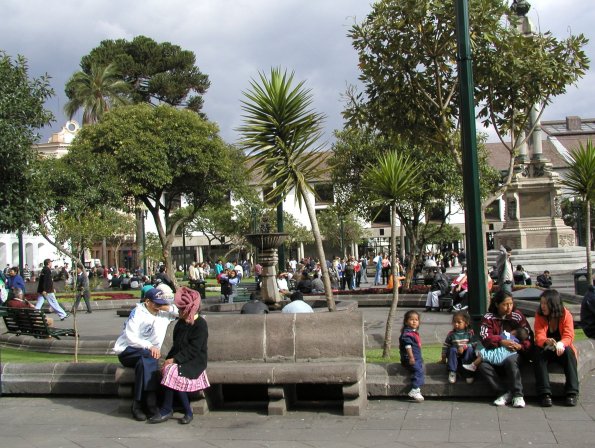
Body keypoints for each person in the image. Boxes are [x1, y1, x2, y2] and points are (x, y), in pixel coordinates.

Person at [113, 288, 178, 421]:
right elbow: (131, 337)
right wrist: (149, 346)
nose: (159, 306)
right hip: (129, 351)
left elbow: (182, 312)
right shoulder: (137, 313)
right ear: (147, 301)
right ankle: (151, 402)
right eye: (156, 303)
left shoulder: (162, 314)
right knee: (149, 357)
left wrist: (168, 308)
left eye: (161, 303)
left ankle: (137, 404)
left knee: (144, 362)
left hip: (148, 356)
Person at [148, 287, 209, 424]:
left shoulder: (200, 325)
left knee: (173, 372)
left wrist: (175, 360)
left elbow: (194, 349)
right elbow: (176, 346)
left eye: (181, 310)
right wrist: (169, 359)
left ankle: (173, 410)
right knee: (169, 370)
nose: (179, 312)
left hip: (195, 361)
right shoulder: (180, 324)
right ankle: (179, 410)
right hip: (181, 359)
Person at [476, 290, 533, 408]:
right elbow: (486, 338)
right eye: (505, 304)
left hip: (514, 353)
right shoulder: (488, 318)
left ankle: (518, 395)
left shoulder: (517, 316)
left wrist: (521, 346)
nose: (509, 307)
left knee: (510, 360)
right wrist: (501, 341)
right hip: (495, 354)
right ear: (497, 304)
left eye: (510, 304)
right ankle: (503, 393)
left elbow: (528, 335)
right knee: (482, 366)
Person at [533, 289, 579, 407]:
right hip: (547, 348)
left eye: (545, 303)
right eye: (541, 303)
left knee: (569, 353)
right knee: (538, 353)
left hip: (562, 348)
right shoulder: (539, 315)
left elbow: (569, 336)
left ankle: (572, 392)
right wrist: (546, 341)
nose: (542, 306)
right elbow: (539, 335)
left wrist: (561, 344)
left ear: (553, 304)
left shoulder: (566, 314)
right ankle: (544, 393)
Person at [463, 326, 529, 372]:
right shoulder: (516, 344)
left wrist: (500, 338)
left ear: (514, 332)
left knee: (482, 354)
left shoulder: (508, 336)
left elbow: (495, 338)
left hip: (496, 358)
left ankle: (473, 365)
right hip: (503, 361)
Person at [441, 310, 475, 384]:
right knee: (452, 349)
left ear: (466, 323)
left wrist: (464, 347)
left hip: (466, 354)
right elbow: (446, 345)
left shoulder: (469, 333)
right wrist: (443, 356)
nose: (456, 324)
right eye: (454, 322)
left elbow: (474, 343)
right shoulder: (451, 334)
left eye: (459, 322)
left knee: (470, 349)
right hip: (455, 355)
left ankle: (468, 372)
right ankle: (452, 372)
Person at [399, 310, 424, 402]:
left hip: (416, 358)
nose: (414, 321)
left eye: (416, 320)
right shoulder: (407, 334)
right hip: (409, 358)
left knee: (419, 370)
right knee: (418, 371)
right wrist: (411, 357)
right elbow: (408, 346)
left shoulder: (413, 333)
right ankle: (415, 389)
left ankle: (417, 389)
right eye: (411, 319)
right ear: (406, 321)